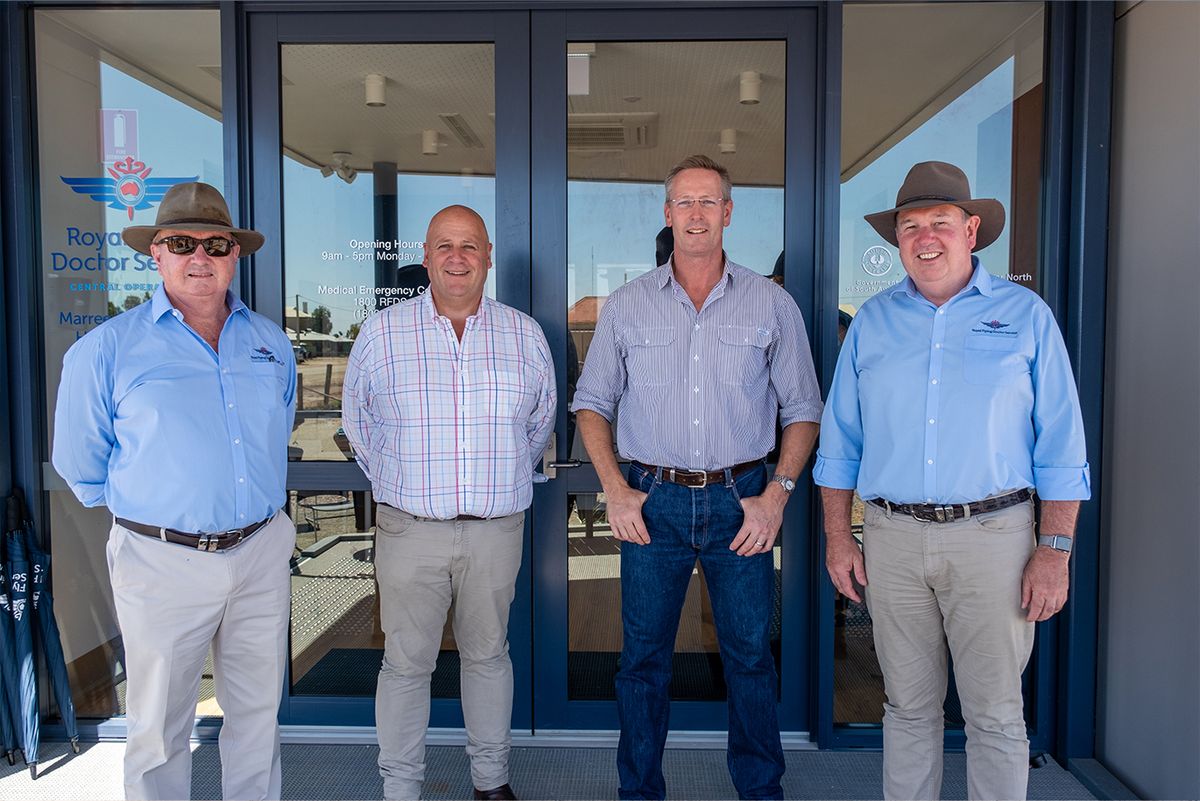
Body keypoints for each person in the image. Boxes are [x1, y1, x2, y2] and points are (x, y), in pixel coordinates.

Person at [814, 161, 1090, 800]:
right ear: (897, 240)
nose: (924, 237)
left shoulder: (1026, 316)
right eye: (910, 226)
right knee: (907, 709)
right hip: (893, 537)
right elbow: (839, 445)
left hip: (995, 538)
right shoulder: (872, 324)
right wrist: (838, 537)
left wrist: (1055, 551)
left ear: (971, 230)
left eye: (940, 222)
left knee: (994, 715)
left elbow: (1062, 447)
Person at [573, 154, 823, 800]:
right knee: (643, 665)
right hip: (651, 502)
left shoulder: (772, 304)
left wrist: (777, 495)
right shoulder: (628, 307)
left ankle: (761, 791)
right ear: (667, 214)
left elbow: (803, 410)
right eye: (683, 203)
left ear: (729, 213)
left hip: (741, 504)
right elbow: (591, 403)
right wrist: (615, 487)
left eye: (708, 202)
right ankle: (640, 792)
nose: (695, 215)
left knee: (747, 660)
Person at [52, 182, 297, 801]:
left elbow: (277, 431)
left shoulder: (272, 343)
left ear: (234, 255)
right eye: (181, 243)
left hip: (261, 553)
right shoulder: (105, 351)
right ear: (155, 253)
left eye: (216, 244)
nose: (200, 257)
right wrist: (165, 513)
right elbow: (80, 466)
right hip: (160, 559)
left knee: (257, 721)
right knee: (159, 729)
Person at [341, 205, 555, 801]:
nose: (456, 258)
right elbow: (358, 425)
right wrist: (400, 482)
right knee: (406, 666)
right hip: (410, 530)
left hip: (494, 530)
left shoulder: (524, 334)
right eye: (443, 246)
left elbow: (537, 425)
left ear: (487, 256)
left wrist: (499, 476)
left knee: (489, 657)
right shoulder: (382, 333)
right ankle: (401, 788)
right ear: (426, 256)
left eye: (468, 246)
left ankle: (491, 783)